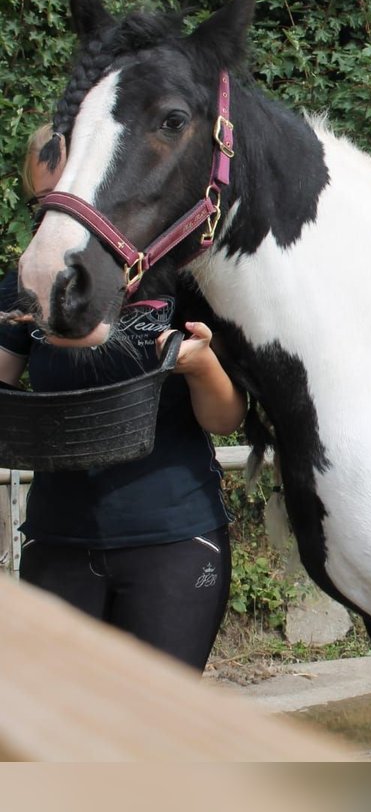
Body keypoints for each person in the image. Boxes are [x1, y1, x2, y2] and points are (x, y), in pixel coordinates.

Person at [0, 124, 247, 672]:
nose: (60, 226)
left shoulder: (184, 285)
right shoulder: (28, 284)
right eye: (45, 208)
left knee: (156, 741)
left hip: (173, 541)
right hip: (58, 540)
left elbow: (226, 418)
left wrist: (201, 363)